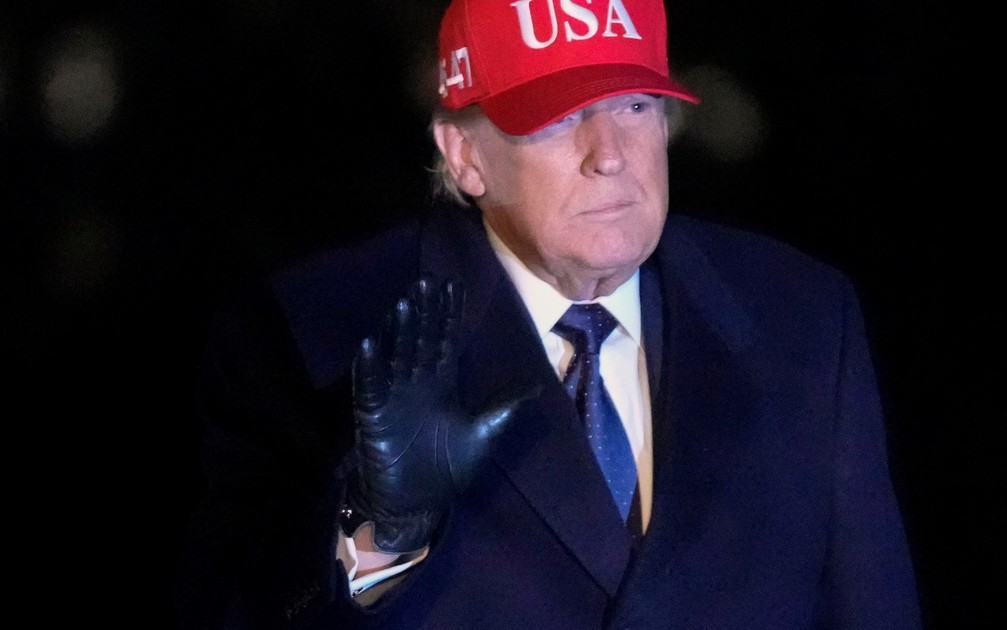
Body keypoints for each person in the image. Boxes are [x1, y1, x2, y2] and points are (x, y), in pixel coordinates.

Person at [175, 0, 924, 628]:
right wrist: (378, 537)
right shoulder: (309, 338)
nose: (610, 154)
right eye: (558, 116)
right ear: (464, 155)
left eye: (635, 105)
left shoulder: (803, 318)